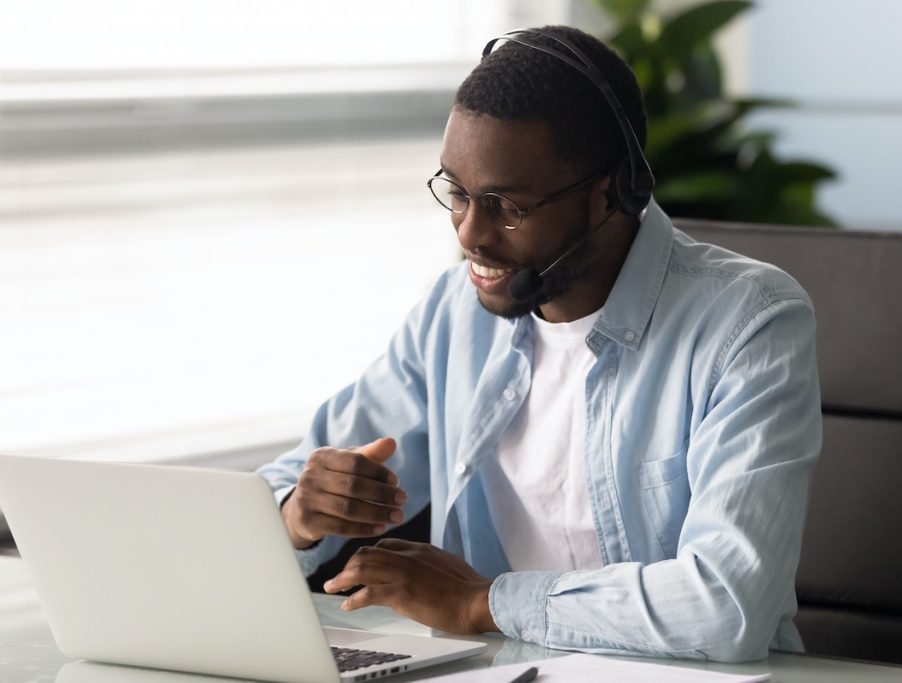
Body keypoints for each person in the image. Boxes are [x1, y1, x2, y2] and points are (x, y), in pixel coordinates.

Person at [257, 25, 821, 662]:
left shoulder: (748, 323)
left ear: (610, 194)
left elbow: (726, 603)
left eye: (507, 205)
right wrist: (299, 515)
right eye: (458, 194)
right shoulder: (452, 313)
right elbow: (276, 488)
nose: (471, 234)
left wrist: (483, 601)